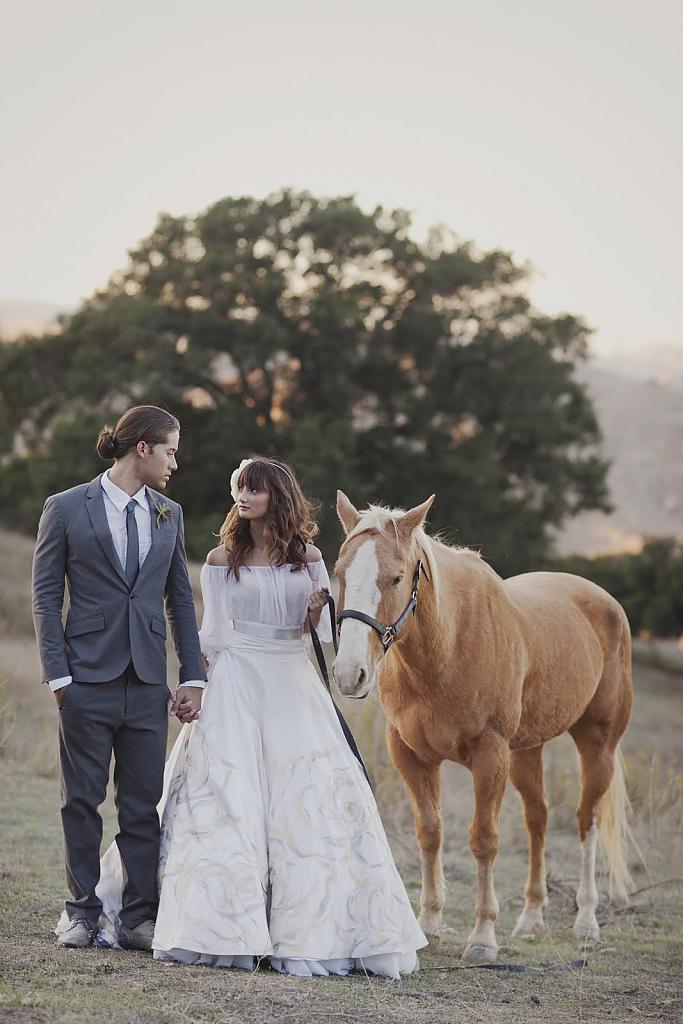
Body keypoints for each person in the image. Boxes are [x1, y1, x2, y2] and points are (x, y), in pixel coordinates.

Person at [80, 456, 426, 978]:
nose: (242, 498)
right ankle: (221, 924)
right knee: (225, 798)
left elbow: (324, 639)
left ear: (277, 498)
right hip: (237, 676)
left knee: (308, 800)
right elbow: (213, 634)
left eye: (254, 491)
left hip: (290, 677)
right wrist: (196, 684)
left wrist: (315, 614)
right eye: (239, 489)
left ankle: (309, 929)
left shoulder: (309, 557)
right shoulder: (223, 558)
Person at [33, 405, 206, 951]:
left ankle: (137, 918)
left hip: (147, 683)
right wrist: (58, 676)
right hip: (84, 680)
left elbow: (179, 599)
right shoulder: (64, 508)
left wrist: (192, 676)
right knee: (80, 800)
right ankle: (81, 912)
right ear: (143, 449)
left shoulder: (168, 514)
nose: (176, 461)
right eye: (171, 450)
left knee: (141, 806)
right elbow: (44, 596)